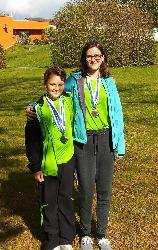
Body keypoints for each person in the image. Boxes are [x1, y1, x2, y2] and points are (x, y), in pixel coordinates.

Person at [26, 41, 125, 250]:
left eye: (98, 55)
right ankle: (86, 233)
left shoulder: (109, 82)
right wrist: (34, 106)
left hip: (106, 138)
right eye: (90, 55)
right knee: (86, 188)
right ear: (84, 58)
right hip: (84, 140)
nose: (94, 59)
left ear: (103, 58)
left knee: (105, 189)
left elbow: (117, 113)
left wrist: (120, 145)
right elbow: (55, 95)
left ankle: (102, 233)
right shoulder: (74, 80)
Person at [25, 66, 76, 250]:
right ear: (45, 84)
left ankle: (66, 239)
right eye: (52, 84)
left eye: (60, 84)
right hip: (48, 164)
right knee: (49, 202)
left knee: (66, 199)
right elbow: (31, 141)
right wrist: (36, 166)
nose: (56, 88)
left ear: (65, 84)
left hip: (68, 160)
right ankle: (52, 240)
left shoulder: (69, 102)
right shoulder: (37, 109)